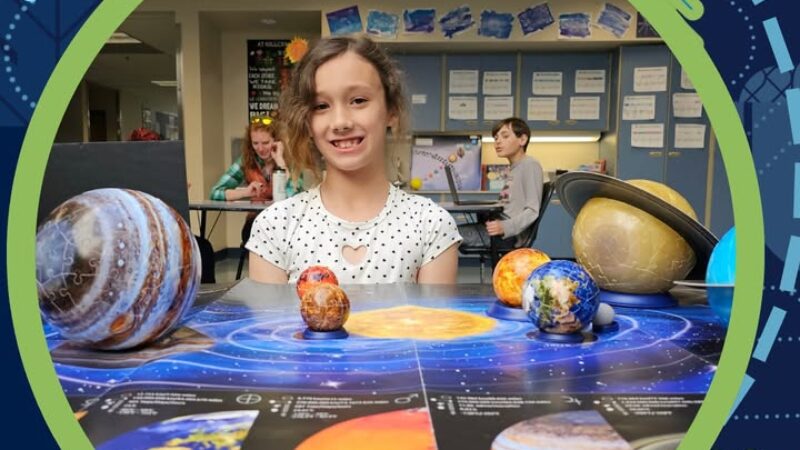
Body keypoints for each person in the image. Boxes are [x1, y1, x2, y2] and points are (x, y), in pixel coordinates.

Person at [246, 35, 462, 284]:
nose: (341, 122)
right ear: (306, 121)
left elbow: (433, 310)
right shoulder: (275, 227)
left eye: (358, 101)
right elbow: (271, 312)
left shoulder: (430, 225)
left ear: (391, 110)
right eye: (321, 106)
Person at [459, 117, 544, 249]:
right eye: (496, 138)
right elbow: (510, 205)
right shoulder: (514, 168)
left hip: (508, 235)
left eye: (505, 136)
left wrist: (505, 226)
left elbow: (532, 211)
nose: (498, 141)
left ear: (522, 140)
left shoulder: (530, 165)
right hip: (500, 229)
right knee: (448, 232)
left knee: (448, 235)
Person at [209, 116, 301, 202]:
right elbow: (215, 193)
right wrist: (246, 192)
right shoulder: (246, 160)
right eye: (255, 143)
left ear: (276, 140)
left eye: (265, 143)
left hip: (284, 213)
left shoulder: (290, 160)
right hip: (257, 213)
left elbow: (297, 197)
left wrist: (281, 162)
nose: (260, 149)